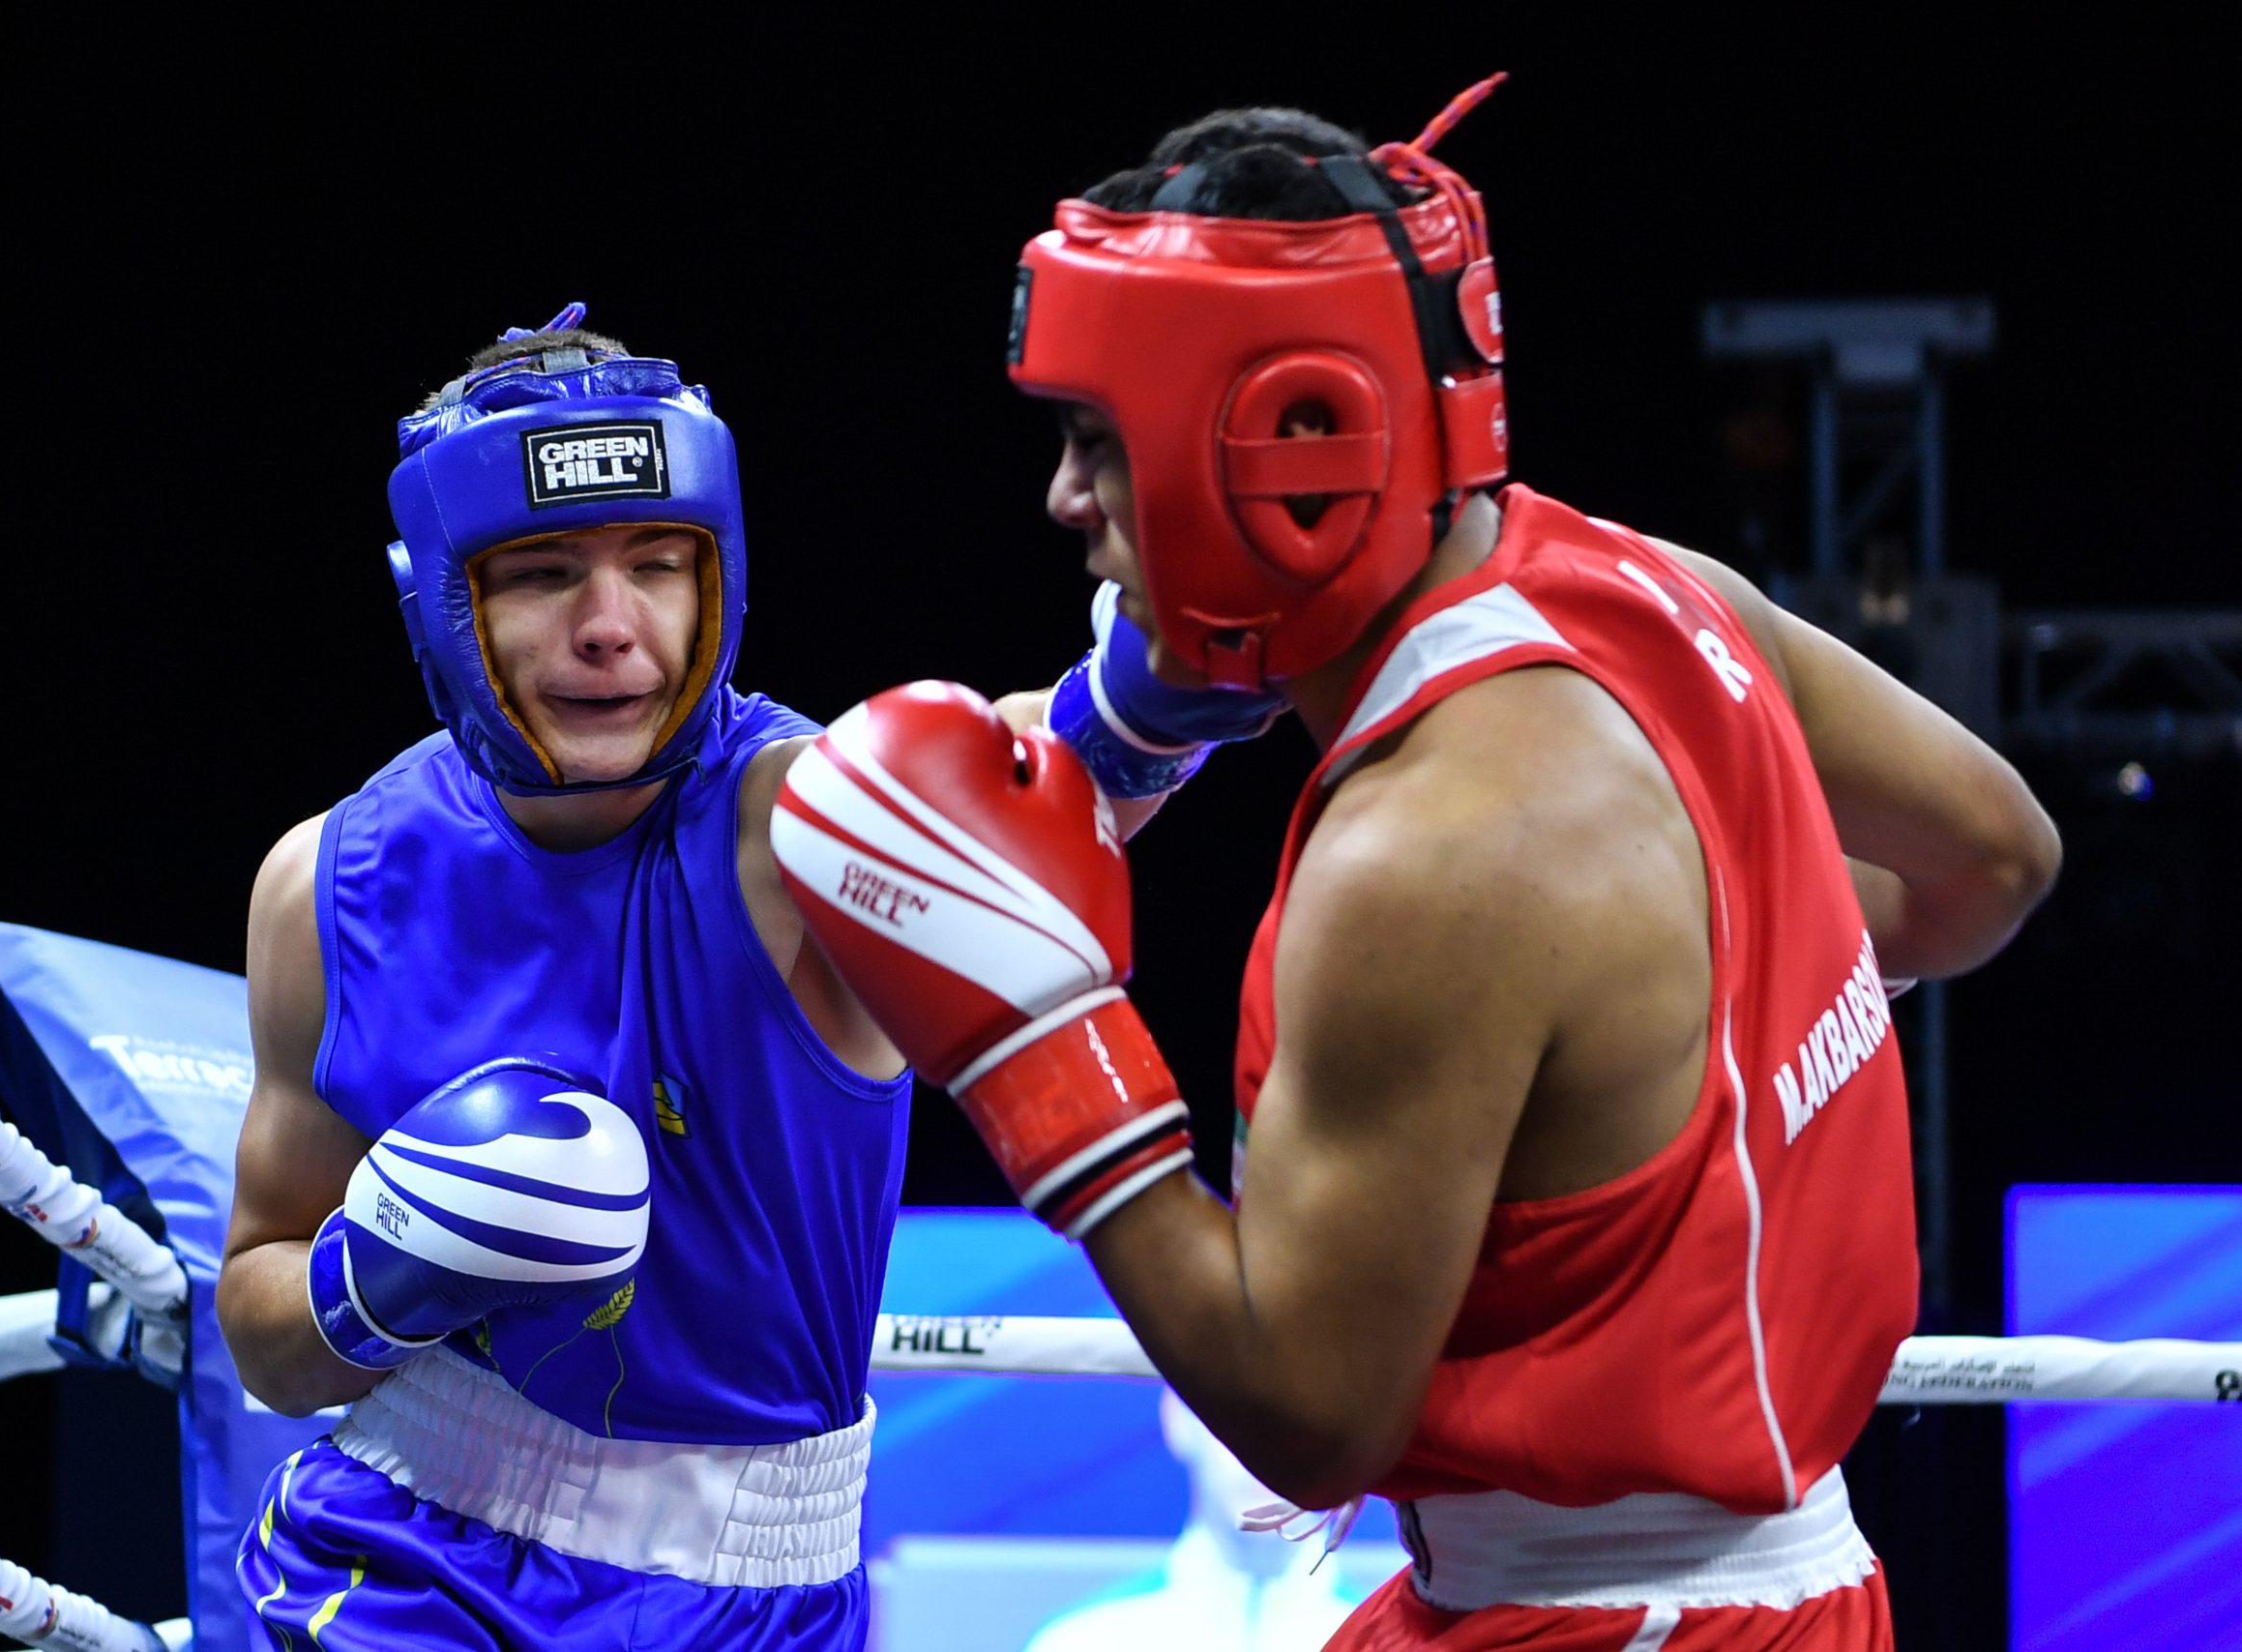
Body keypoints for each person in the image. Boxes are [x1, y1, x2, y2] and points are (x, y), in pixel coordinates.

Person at [772, 85, 2062, 1650]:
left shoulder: (1431, 854)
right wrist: (1676, 1022)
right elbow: (1990, 858)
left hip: (1600, 1621)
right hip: (1762, 1578)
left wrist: (1040, 1052)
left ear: (1285, 439)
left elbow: (1314, 1419)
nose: (1066, 503)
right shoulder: (1657, 589)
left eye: (1097, 443)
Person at [213, 312, 923, 1650]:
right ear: (439, 598)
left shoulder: (809, 824)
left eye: (659, 564)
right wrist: (372, 1282)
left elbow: (1027, 799)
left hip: (761, 1583)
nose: (612, 628)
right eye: (542, 574)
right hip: (405, 1543)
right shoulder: (328, 886)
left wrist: (1163, 691)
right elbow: (260, 1319)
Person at [1021, 1389, 1363, 1652]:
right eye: (1233, 1417)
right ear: (1178, 1416)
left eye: (1301, 1421)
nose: (1264, 1455)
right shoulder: (1081, 1643)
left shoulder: (1391, 1644)